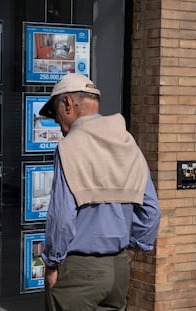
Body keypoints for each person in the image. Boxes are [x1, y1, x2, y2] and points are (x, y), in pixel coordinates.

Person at [39, 73, 161, 311]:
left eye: (55, 114)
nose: (58, 123)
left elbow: (62, 217)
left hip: (78, 270)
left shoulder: (70, 147)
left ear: (67, 104)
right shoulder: (128, 144)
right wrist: (133, 249)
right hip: (118, 268)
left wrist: (52, 264)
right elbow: (152, 211)